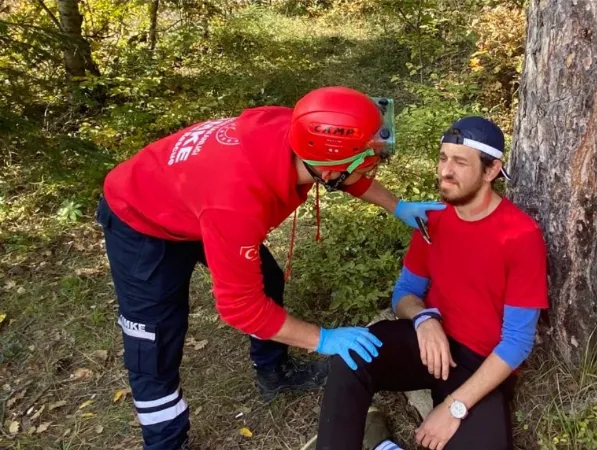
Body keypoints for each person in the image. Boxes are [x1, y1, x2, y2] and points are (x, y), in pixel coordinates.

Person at [95, 86, 445, 450]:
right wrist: (323, 339)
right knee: (153, 338)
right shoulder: (237, 205)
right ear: (327, 171)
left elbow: (341, 171)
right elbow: (240, 309)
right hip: (141, 219)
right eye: (365, 161)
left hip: (196, 200)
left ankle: (274, 372)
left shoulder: (298, 128)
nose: (370, 167)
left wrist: (397, 205)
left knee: (266, 279)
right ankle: (165, 442)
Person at [314, 116, 549, 450]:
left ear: (491, 170)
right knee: (349, 354)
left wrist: (455, 407)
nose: (444, 171)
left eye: (459, 162)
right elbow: (405, 293)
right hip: (427, 342)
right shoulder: (432, 218)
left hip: (480, 365)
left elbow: (516, 342)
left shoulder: (520, 235)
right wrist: (424, 319)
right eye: (442, 158)